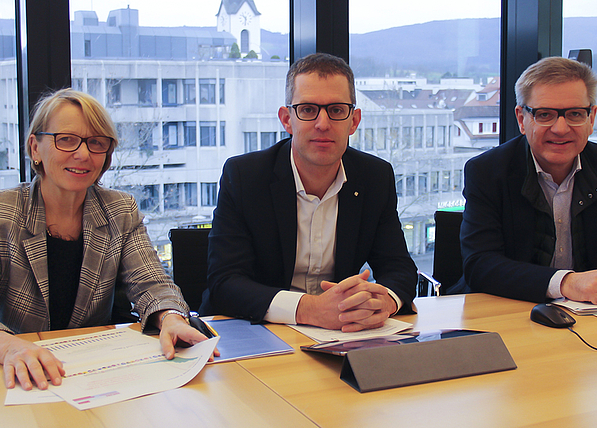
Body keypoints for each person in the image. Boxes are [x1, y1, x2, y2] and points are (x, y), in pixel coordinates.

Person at [0, 89, 213, 392]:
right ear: (35, 147)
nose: (84, 154)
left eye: (96, 143)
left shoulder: (119, 209)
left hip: (95, 373)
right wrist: (10, 347)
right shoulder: (5, 213)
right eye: (66, 139)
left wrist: (171, 318)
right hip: (23, 377)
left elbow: (152, 283)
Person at [200, 53, 417, 331]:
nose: (323, 124)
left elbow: (398, 267)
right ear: (287, 119)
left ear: (354, 121)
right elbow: (225, 283)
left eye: (337, 110)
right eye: (307, 109)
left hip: (342, 333)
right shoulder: (245, 176)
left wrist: (384, 301)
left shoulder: (375, 177)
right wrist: (310, 309)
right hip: (257, 330)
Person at [458, 56, 597, 304]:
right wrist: (566, 283)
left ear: (592, 118)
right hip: (508, 314)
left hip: (593, 318)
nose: (561, 128)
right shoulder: (487, 171)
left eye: (575, 114)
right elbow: (480, 265)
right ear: (522, 119)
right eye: (545, 115)